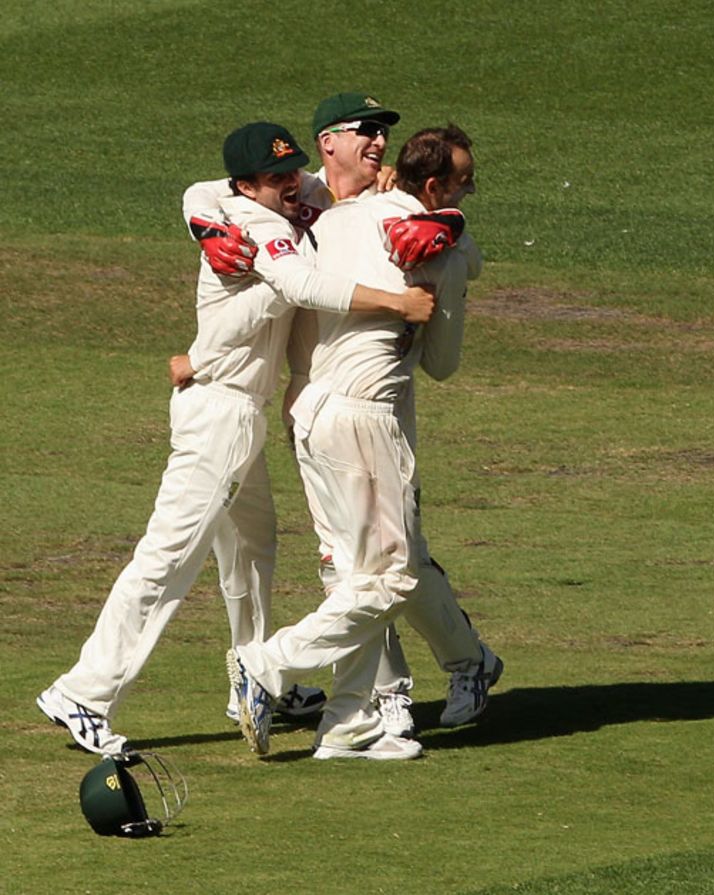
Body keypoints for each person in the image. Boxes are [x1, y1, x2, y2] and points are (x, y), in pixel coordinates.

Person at [37, 122, 437, 755]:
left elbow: (202, 191)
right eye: (275, 179)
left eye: (291, 172)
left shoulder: (256, 199)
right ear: (245, 186)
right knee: (170, 556)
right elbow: (302, 286)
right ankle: (84, 692)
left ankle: (254, 682)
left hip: (238, 408)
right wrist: (397, 303)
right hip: (219, 414)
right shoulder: (264, 225)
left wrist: (378, 181)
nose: (289, 184)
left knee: (252, 552)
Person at [182, 94, 501, 738]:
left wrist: (455, 243)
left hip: (365, 404)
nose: (377, 142)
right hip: (322, 406)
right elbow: (204, 192)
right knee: (364, 567)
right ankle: (357, 696)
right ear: (329, 142)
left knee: (385, 564)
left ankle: (421, 683)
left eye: (385, 134)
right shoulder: (307, 203)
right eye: (365, 131)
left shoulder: (347, 217)